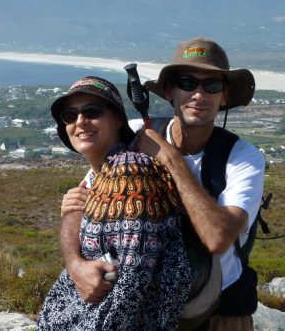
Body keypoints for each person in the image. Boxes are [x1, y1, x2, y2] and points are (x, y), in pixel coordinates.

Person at [61, 38, 265, 330]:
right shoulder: (135, 134)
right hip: (143, 311)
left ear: (224, 96)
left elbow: (218, 239)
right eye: (187, 83)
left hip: (216, 312)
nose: (199, 94)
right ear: (170, 91)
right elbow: (79, 204)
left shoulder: (242, 158)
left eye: (211, 85)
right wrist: (75, 263)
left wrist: (170, 158)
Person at [37, 75, 191, 331]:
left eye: (92, 112)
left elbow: (132, 282)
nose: (80, 121)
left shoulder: (129, 172)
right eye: (70, 115)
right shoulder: (101, 173)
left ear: (118, 118)